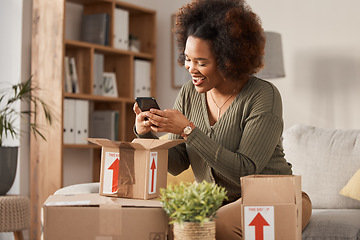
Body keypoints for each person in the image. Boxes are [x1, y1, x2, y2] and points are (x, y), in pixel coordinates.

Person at [133, 0, 312, 239]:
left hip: (275, 195)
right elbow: (177, 164)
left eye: (201, 62)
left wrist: (188, 130)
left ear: (230, 60)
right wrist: (146, 133)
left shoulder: (263, 95)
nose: (190, 68)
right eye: (188, 59)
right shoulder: (189, 93)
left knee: (221, 223)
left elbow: (245, 169)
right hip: (217, 203)